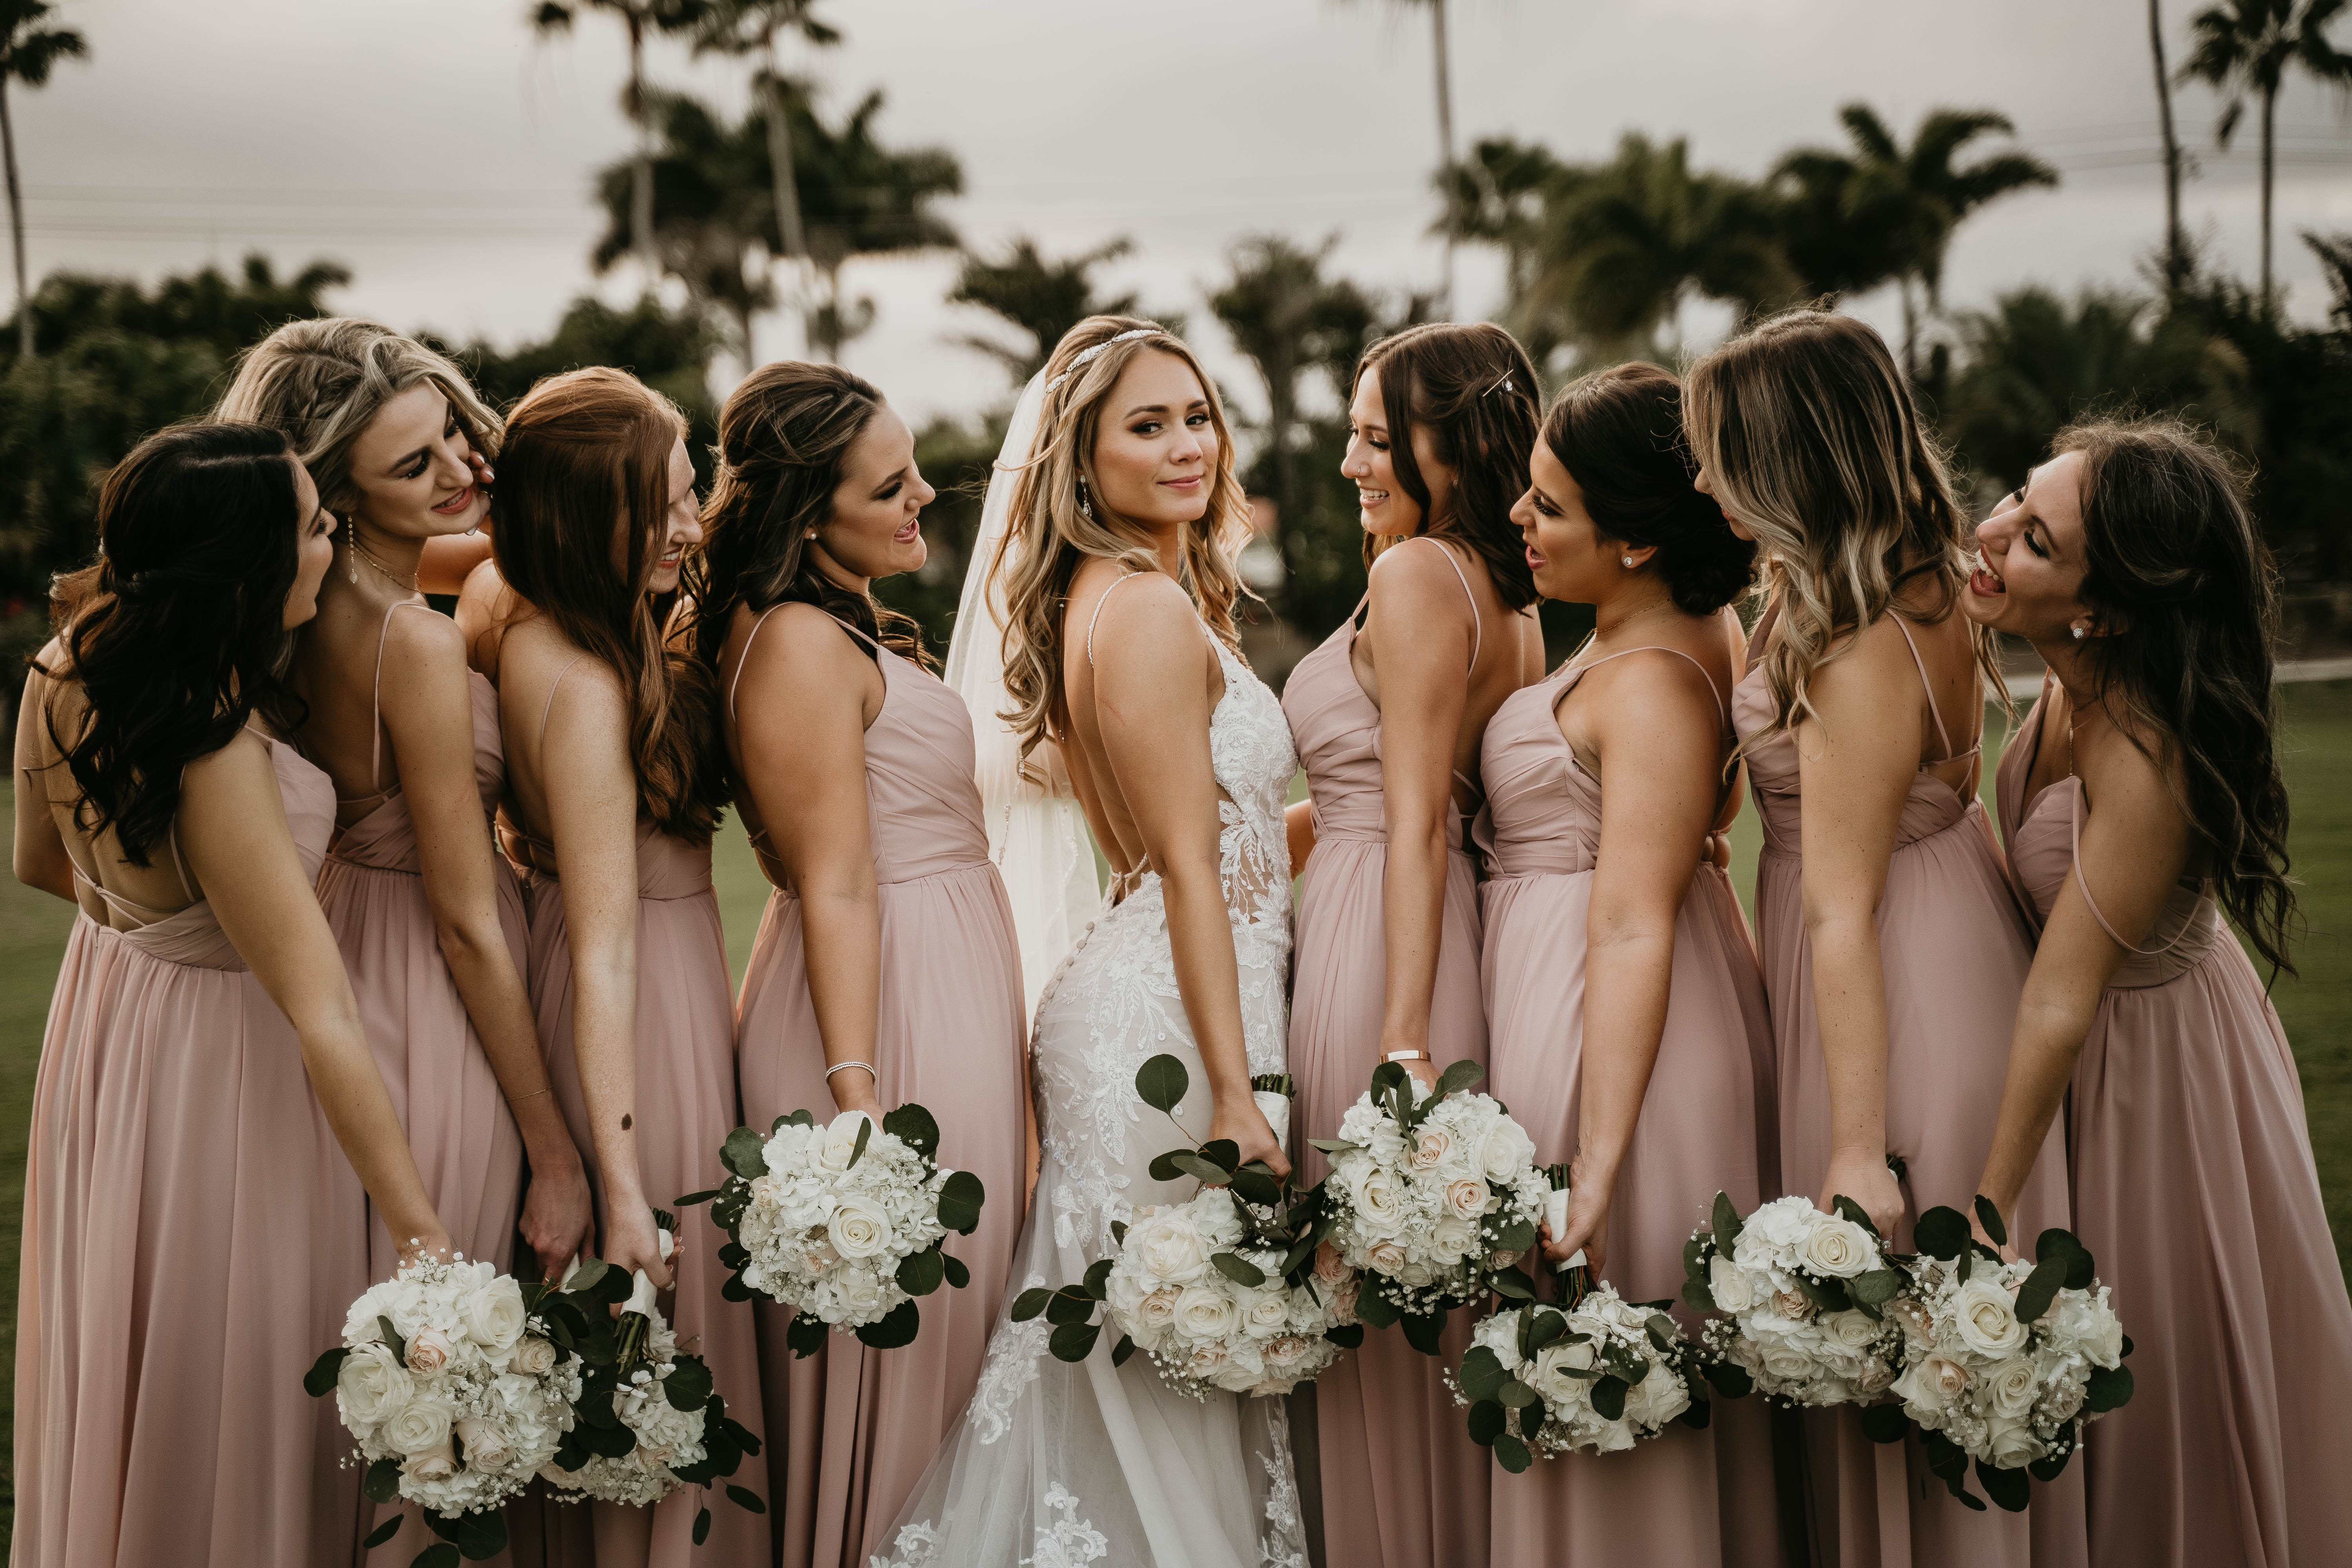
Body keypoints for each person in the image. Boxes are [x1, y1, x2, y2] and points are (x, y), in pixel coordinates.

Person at [866, 317, 1308, 1567]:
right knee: (1154, 1375)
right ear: (1081, 454)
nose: (1185, 447)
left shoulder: (1121, 595)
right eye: (1147, 425)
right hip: (1173, 1019)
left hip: (1173, 985)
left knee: (1162, 1370)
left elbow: (1232, 843)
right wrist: (1233, 1089)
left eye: (1196, 417)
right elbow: (1185, 868)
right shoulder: (1147, 610)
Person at [11, 423, 453, 1567]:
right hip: (231, 1075)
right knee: (233, 1373)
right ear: (247, 567)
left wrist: (151, 931)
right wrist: (424, 1241)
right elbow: (321, 1009)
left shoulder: (66, 665)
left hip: (115, 1020)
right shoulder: (217, 750)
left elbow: (39, 865)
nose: (332, 545)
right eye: (315, 528)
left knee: (138, 1340)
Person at [1686, 309, 2083, 1568]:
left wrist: (1858, 1146)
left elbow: (1838, 901)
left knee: (1914, 1323)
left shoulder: (1862, 636)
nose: (1701, 481)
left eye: (1718, 455)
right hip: (1926, 935)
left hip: (1893, 979)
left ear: (1782, 461)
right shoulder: (1894, 586)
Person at [1966, 418, 2352, 1568]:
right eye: (2015, 500)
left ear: (2105, 609)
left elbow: (2060, 998)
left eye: (2035, 540)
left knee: (2159, 1401)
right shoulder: (2069, 676)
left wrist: (1984, 1214)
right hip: (2093, 1047)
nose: (1990, 535)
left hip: (2157, 1082)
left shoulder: (2144, 750)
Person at [684, 361, 1028, 1567]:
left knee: (962, 1332)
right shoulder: (792, 643)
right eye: (892, 484)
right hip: (884, 1007)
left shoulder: (829, 622)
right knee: (911, 1347)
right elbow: (832, 875)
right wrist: (856, 1095)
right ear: (804, 510)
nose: (924, 495)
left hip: (932, 969)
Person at [457, 368, 767, 1566]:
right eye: (667, 509)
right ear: (587, 521)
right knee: (658, 1336)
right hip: (640, 1022)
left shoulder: (499, 597)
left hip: (587, 979)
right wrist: (620, 1182)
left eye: (694, 496)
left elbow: (459, 549)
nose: (694, 527)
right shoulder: (583, 689)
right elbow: (606, 953)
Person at [216, 320, 592, 1303]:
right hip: (429, 992)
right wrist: (554, 1152)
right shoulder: (410, 646)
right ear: (334, 492)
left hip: (339, 953)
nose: (458, 471)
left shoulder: (298, 600)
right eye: (414, 464)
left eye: (456, 434)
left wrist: (484, 480)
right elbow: (467, 925)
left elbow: (484, 546)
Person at [1479, 363, 1780, 1563]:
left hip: (1614, 1026)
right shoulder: (1688, 628)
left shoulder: (1652, 681)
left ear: (1642, 541)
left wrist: (1597, 1159)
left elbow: (1633, 920)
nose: (1520, 522)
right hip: (1607, 990)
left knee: (1610, 1315)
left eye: (1548, 508)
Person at [1281, 319, 1543, 1568]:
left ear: (1455, 446)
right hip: (1420, 914)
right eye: (1352, 434)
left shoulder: (1418, 577)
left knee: (1372, 1270)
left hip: (1385, 932)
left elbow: (1415, 817)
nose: (1350, 463)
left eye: (1378, 439)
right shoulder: (1505, 579)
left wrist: (1398, 1036)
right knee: (1423, 1286)